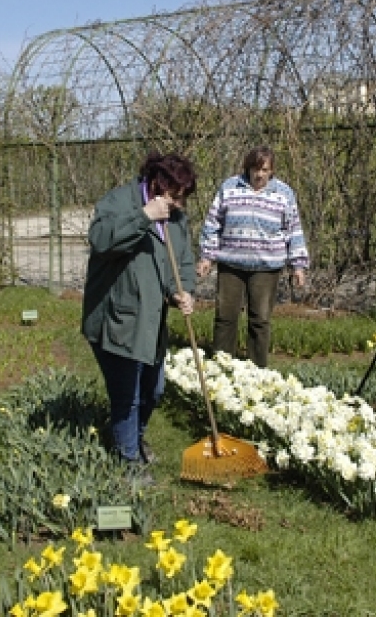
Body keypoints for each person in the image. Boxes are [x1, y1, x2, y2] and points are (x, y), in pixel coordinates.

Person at [81, 152, 197, 469]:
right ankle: (128, 459)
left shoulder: (176, 218)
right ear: (157, 185)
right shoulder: (119, 202)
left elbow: (183, 261)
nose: (180, 205)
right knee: (126, 396)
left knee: (154, 391)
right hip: (115, 318)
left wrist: (183, 291)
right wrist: (144, 216)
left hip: (150, 319)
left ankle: (134, 436)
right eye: (176, 197)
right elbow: (101, 240)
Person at [196, 146, 309, 368]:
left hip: (266, 266)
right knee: (225, 317)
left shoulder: (284, 193)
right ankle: (221, 365)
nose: (259, 174)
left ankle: (257, 369)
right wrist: (207, 257)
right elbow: (212, 223)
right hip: (231, 264)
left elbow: (294, 230)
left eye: (264, 170)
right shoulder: (229, 187)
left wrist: (298, 266)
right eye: (255, 169)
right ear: (247, 168)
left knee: (260, 320)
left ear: (271, 171)